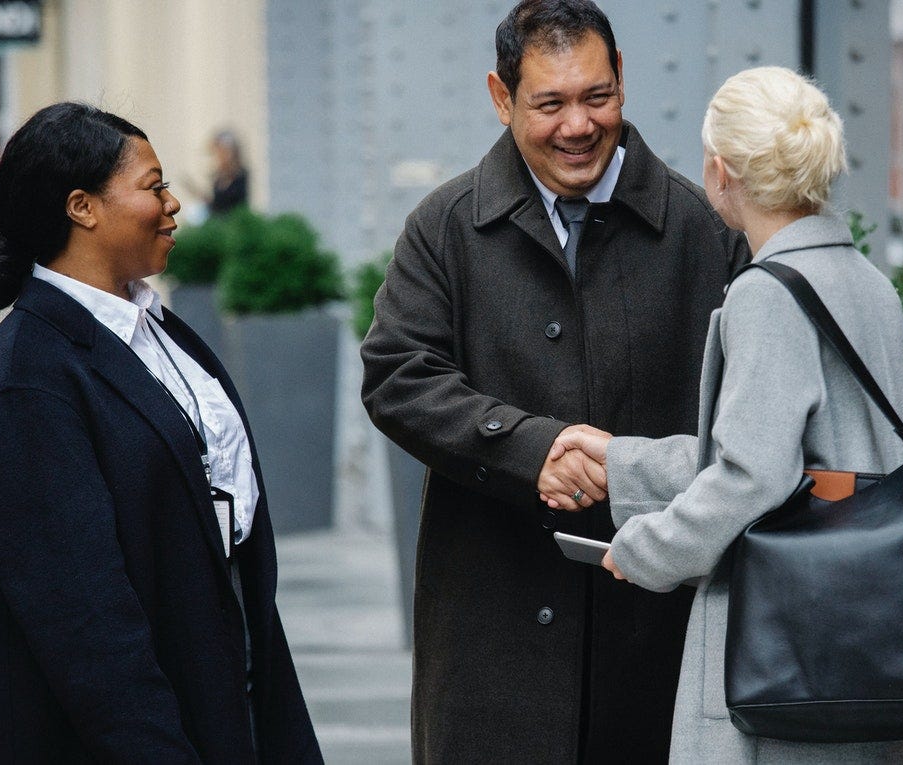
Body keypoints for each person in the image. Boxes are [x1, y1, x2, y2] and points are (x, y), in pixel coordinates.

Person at [359, 0, 748, 760]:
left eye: (596, 96)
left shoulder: (704, 231)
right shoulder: (445, 226)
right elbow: (398, 374)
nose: (578, 125)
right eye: (550, 103)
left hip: (657, 646)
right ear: (501, 99)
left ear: (624, 82)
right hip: (491, 639)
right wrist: (530, 447)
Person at [546, 68, 903, 761]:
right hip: (868, 630)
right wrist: (622, 459)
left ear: (721, 173)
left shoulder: (766, 293)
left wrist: (644, 549)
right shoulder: (867, 282)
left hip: (784, 650)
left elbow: (752, 476)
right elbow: (814, 455)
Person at [0, 102, 322, 762]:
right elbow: (83, 623)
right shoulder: (25, 381)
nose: (174, 204)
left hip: (226, 703)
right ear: (82, 207)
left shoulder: (154, 328)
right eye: (153, 186)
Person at [185, 129, 249, 218]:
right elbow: (216, 204)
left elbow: (232, 204)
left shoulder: (240, 175)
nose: (218, 156)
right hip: (217, 222)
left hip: (233, 223)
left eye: (221, 152)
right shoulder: (218, 177)